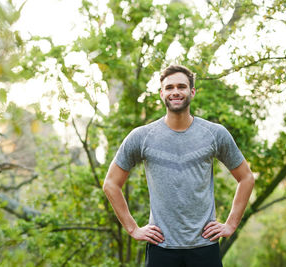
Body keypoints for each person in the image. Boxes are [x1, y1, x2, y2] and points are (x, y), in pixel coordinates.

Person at [102, 64, 255, 267]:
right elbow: (111, 184)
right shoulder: (142, 137)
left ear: (192, 92)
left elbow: (246, 178)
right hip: (161, 248)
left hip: (204, 246)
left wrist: (230, 224)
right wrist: (133, 229)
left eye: (181, 87)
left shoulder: (215, 134)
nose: (176, 92)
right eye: (170, 87)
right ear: (161, 93)